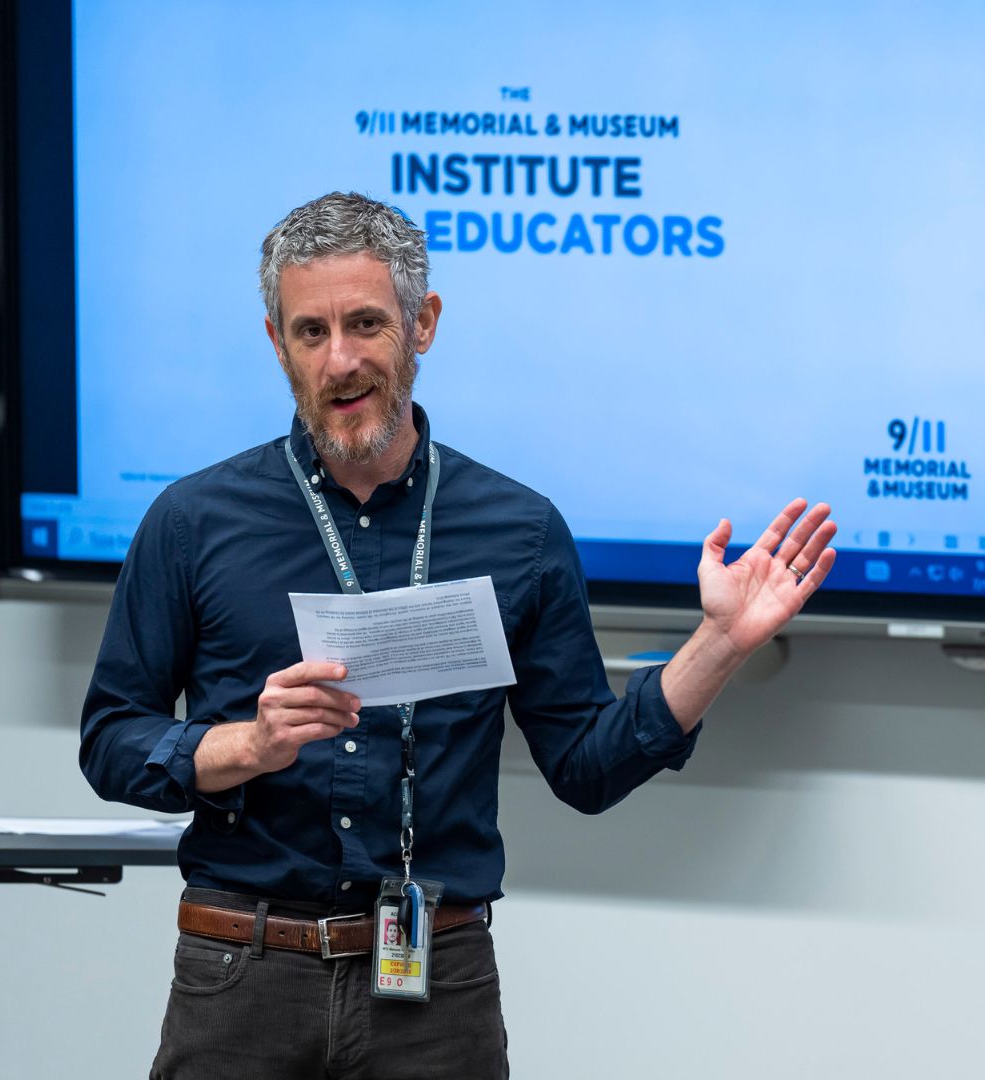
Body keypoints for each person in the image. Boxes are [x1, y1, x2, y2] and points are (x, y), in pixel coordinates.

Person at [80, 191, 836, 1079]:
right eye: (311, 332)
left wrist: (721, 644)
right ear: (277, 342)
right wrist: (244, 744)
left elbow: (587, 768)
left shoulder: (517, 531)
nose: (342, 360)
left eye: (367, 323)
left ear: (423, 323)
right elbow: (111, 740)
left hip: (434, 989)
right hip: (243, 973)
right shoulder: (192, 522)